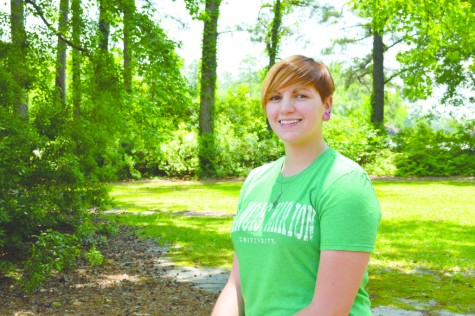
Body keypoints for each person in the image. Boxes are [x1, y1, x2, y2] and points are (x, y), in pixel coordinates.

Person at [211, 55, 381, 316]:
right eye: (275, 97)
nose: (286, 108)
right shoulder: (256, 180)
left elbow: (329, 309)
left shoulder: (345, 184)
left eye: (300, 95)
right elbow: (236, 285)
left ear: (327, 106)